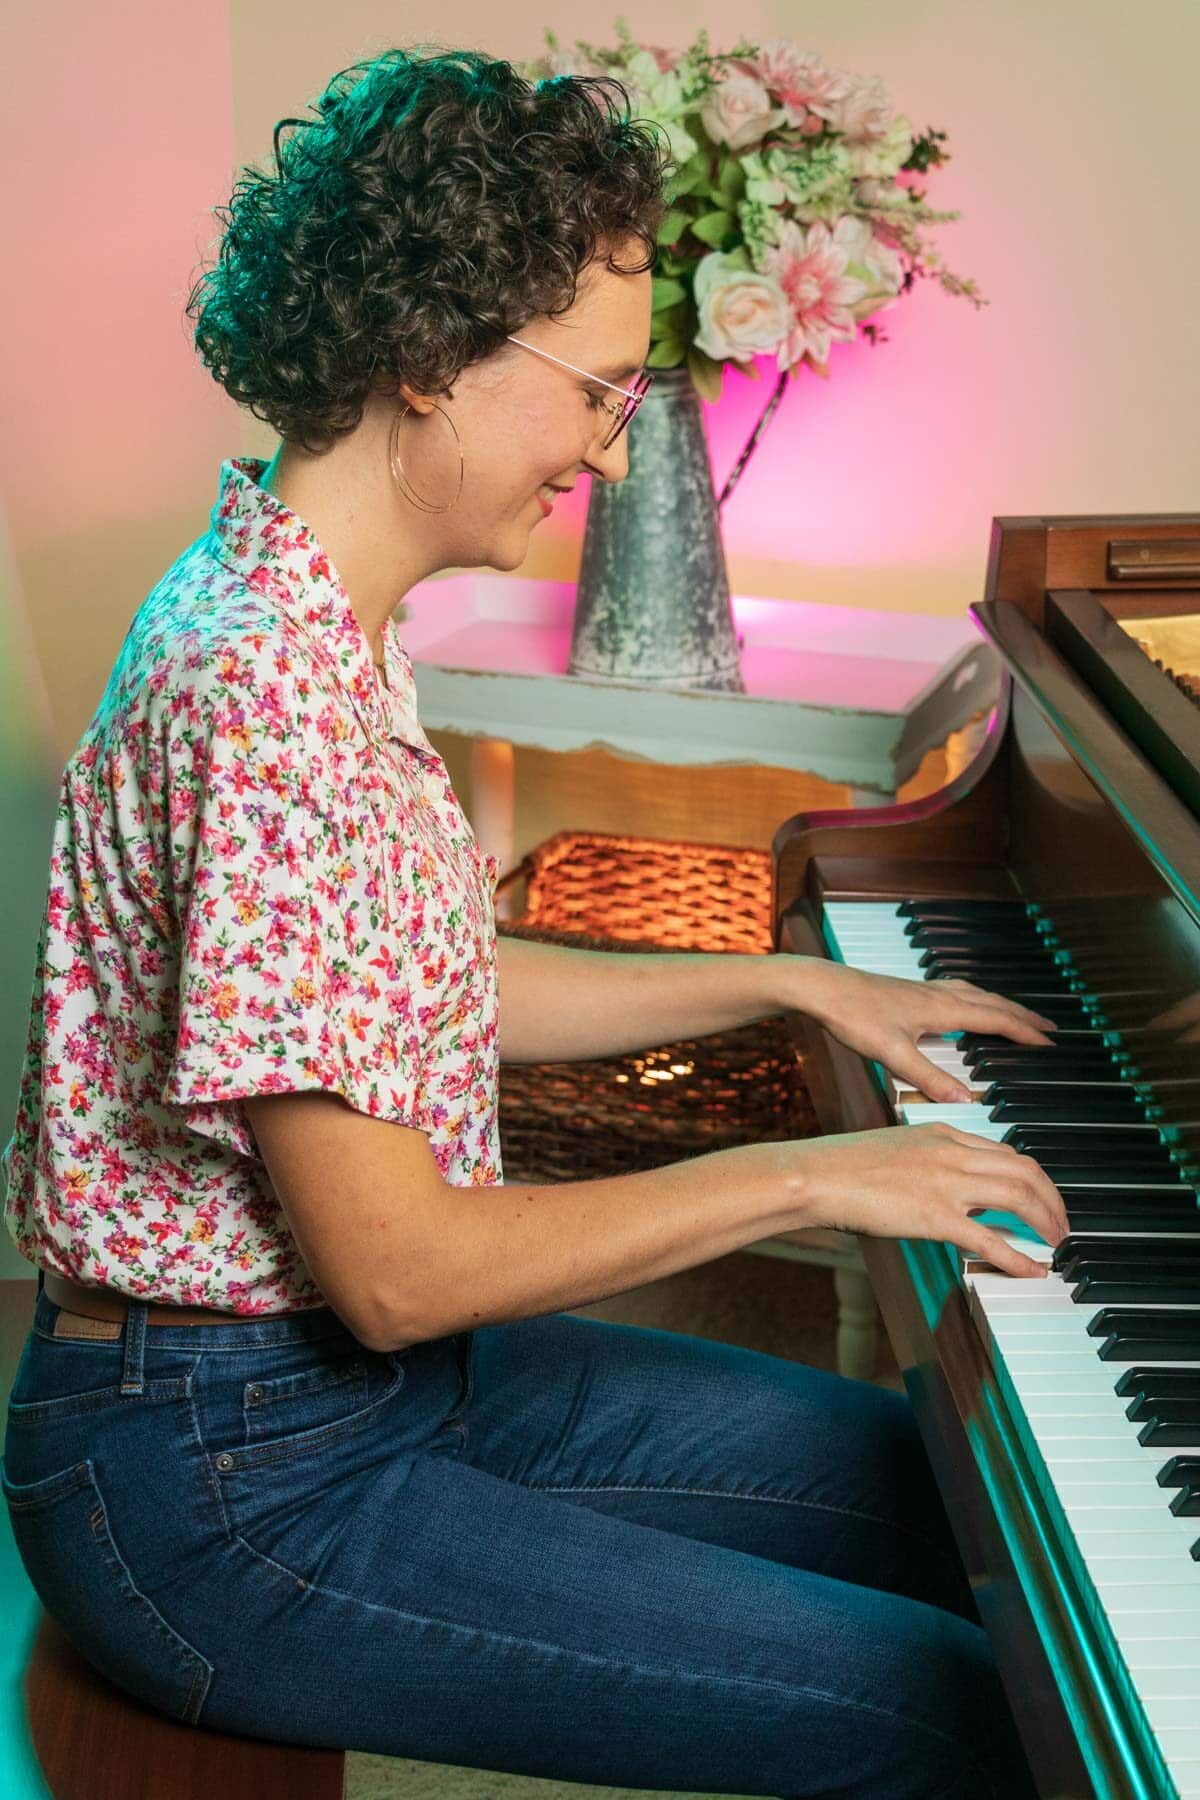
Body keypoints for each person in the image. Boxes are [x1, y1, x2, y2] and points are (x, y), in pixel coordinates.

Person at [1, 48, 1066, 1797]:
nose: (611, 439)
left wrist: (788, 983)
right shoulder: (265, 690)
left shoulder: (302, 601)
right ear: (429, 363)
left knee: (922, 1483)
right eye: (596, 388)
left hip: (329, 1400)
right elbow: (402, 1270)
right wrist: (814, 1175)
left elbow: (408, 988)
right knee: (956, 1713)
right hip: (219, 1484)